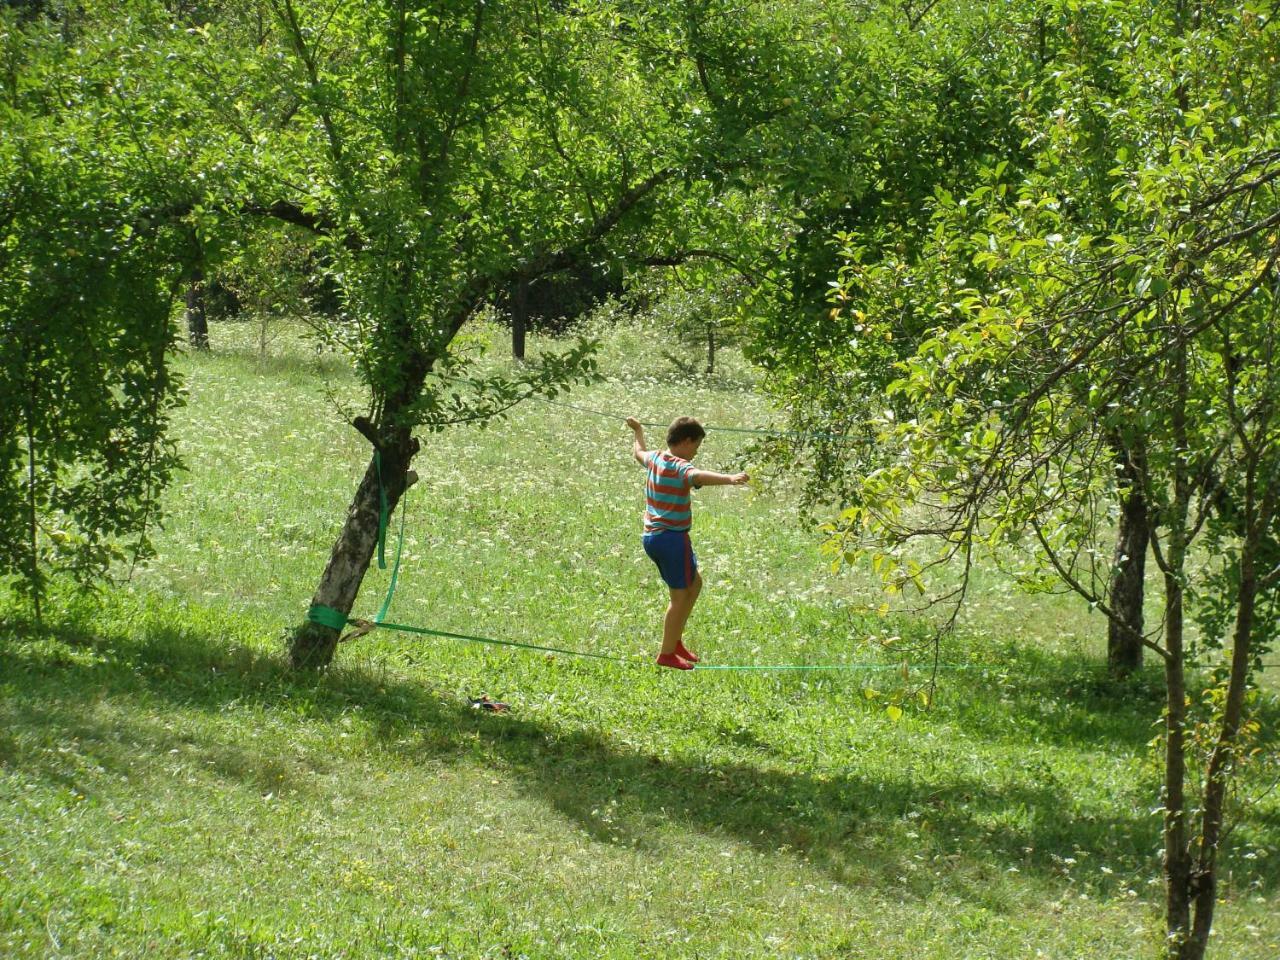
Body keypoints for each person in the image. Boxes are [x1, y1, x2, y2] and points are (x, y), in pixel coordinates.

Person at [625, 415, 749, 669]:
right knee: (679, 598)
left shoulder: (656, 458)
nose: (695, 452)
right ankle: (667, 653)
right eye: (696, 446)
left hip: (653, 537)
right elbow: (699, 476)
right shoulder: (681, 467)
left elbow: (639, 452)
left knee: (695, 583)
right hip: (671, 539)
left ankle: (675, 641)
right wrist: (730, 478)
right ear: (685, 441)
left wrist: (637, 430)